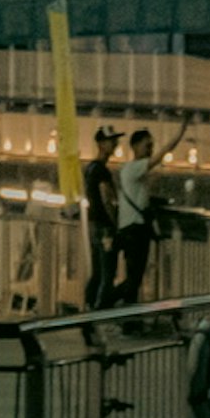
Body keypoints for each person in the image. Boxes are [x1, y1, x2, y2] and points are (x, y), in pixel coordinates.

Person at [111, 129, 160, 303]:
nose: (150, 150)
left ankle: (129, 319)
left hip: (129, 229)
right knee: (134, 279)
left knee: (134, 278)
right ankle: (103, 302)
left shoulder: (129, 169)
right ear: (135, 146)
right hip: (136, 230)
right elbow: (159, 157)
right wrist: (181, 131)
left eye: (152, 146)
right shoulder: (134, 168)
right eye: (147, 146)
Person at [81, 127, 123, 308]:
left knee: (97, 269)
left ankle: (89, 304)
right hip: (105, 227)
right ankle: (100, 310)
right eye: (110, 141)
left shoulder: (89, 168)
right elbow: (107, 199)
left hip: (93, 224)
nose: (115, 144)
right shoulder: (102, 171)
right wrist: (115, 224)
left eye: (115, 140)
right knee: (108, 272)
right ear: (100, 144)